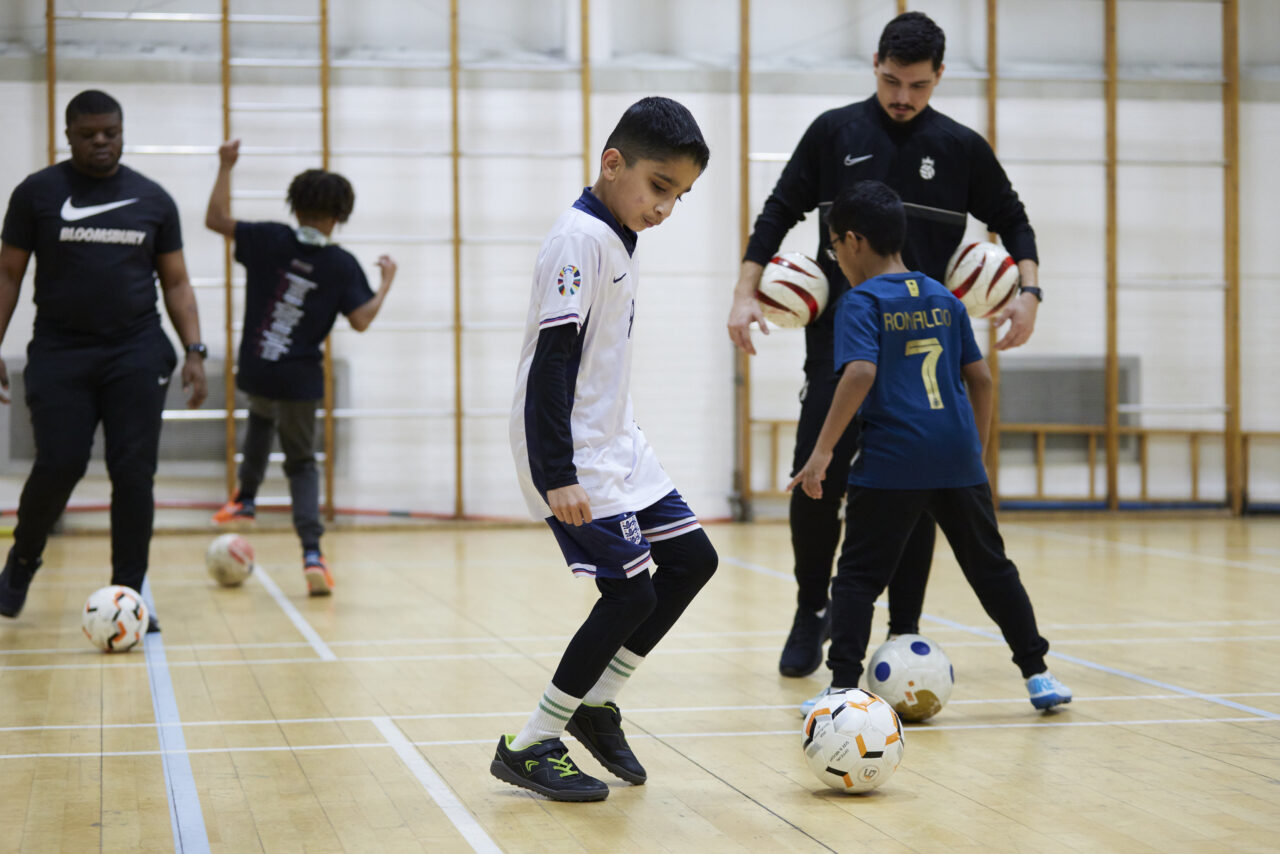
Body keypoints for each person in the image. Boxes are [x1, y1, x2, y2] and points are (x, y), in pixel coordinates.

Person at [727, 11, 1045, 679]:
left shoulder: (959, 147)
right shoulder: (833, 132)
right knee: (816, 481)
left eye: (919, 86)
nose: (903, 97)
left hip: (922, 351)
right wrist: (744, 290)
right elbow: (778, 209)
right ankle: (811, 608)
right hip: (841, 344)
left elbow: (1012, 217)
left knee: (916, 491)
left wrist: (1029, 293)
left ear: (940, 77)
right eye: (893, 81)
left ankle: (904, 628)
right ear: (875, 64)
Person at [493, 97, 717, 802]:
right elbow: (553, 363)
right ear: (612, 164)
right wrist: (557, 472)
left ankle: (596, 702)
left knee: (690, 561)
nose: (666, 208)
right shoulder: (579, 240)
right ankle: (531, 742)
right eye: (659, 187)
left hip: (619, 443)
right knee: (630, 594)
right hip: (574, 452)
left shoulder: (618, 234)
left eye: (680, 196)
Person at [789, 180, 1070, 712]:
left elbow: (861, 372)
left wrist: (822, 453)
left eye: (833, 248)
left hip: (893, 460)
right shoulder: (944, 297)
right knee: (992, 569)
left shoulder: (860, 301)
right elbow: (981, 380)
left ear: (853, 241)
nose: (836, 260)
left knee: (856, 578)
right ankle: (1039, 674)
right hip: (957, 458)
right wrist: (977, 454)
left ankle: (843, 687)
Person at [0, 90, 208, 626]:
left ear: (121, 131)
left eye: (110, 133)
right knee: (60, 462)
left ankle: (129, 595)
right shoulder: (37, 194)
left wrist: (194, 350)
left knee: (134, 472)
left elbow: (178, 281)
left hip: (136, 350)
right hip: (61, 351)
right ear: (68, 134)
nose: (101, 142)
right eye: (89, 134)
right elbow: (8, 275)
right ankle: (22, 561)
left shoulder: (152, 199)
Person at [204, 139, 396, 596]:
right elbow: (363, 320)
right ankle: (312, 552)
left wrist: (226, 166)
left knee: (259, 414)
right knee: (301, 464)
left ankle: (245, 500)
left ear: (294, 205)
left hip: (256, 367)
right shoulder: (341, 264)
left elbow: (215, 219)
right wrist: (386, 283)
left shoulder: (268, 238)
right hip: (301, 380)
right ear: (339, 216)